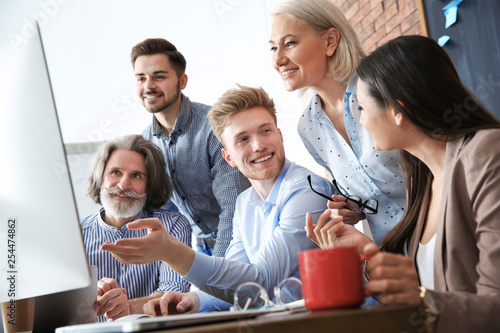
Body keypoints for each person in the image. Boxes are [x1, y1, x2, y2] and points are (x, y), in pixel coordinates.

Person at [306, 35, 500, 333]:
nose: (362, 122)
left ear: (398, 110)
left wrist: (422, 299)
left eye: (362, 108)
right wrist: (367, 251)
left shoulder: (487, 153)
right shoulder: (423, 178)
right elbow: (435, 289)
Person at [101, 85, 335, 315]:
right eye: (242, 139)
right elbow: (236, 281)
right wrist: (191, 301)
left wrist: (172, 252)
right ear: (228, 157)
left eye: (265, 131)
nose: (259, 145)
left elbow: (260, 283)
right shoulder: (244, 203)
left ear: (280, 135)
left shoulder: (306, 190)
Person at [269, 0, 406, 245]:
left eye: (290, 43)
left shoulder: (383, 83)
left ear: (330, 41)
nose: (278, 60)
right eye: (272, 48)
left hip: (446, 233)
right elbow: (369, 195)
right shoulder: (308, 127)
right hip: (394, 255)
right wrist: (352, 208)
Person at [131, 38, 251, 257]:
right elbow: (163, 212)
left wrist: (217, 267)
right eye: (141, 78)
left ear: (182, 81)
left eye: (159, 76)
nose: (148, 86)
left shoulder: (214, 127)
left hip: (243, 243)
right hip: (200, 250)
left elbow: (234, 208)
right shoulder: (146, 143)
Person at [81, 134, 191, 321]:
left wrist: (127, 308)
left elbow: (174, 295)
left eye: (136, 175)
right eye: (115, 172)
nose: (123, 185)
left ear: (150, 185)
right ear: (101, 177)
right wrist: (87, 295)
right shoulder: (77, 234)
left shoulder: (173, 226)